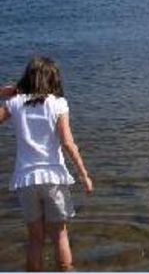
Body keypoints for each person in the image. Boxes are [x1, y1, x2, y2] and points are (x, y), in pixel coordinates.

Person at [0, 57, 93, 272]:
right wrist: (84, 175)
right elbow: (68, 144)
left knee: (35, 239)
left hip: (25, 180)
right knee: (60, 235)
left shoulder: (14, 103)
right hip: (53, 178)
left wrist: (3, 93)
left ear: (27, 77)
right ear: (53, 79)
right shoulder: (58, 103)